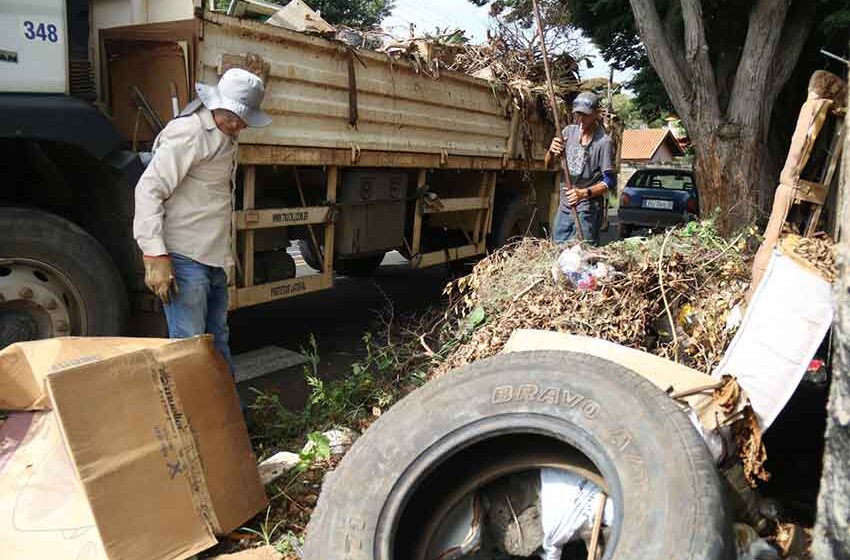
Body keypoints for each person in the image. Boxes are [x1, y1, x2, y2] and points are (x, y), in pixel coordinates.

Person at [133, 68, 272, 372]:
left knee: (217, 340)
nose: (236, 123)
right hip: (184, 258)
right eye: (231, 114)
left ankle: (227, 416)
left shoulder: (226, 136)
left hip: (213, 258)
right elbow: (148, 190)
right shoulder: (190, 132)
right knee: (189, 347)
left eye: (242, 118)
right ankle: (195, 418)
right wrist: (155, 254)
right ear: (215, 103)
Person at [546, 92, 617, 245]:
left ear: (597, 114)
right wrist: (551, 151)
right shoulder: (567, 133)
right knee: (557, 250)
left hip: (587, 208)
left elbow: (610, 181)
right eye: (578, 114)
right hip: (565, 206)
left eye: (585, 115)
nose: (581, 119)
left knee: (583, 254)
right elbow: (549, 166)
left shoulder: (604, 142)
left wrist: (583, 193)